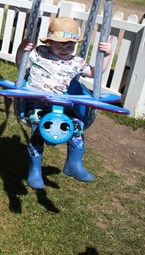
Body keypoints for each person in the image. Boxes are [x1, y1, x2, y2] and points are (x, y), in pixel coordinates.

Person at [15, 17, 112, 190]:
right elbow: (20, 65)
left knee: (77, 125)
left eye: (70, 46)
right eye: (60, 45)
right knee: (39, 129)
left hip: (62, 103)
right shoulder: (39, 53)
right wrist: (22, 49)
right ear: (50, 42)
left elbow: (94, 73)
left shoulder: (76, 62)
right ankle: (35, 170)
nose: (65, 49)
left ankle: (74, 164)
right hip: (37, 102)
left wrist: (106, 55)